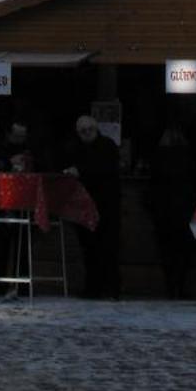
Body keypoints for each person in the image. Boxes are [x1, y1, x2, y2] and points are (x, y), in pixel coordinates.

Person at [63, 115, 121, 299]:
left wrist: (80, 171)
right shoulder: (75, 148)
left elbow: (105, 169)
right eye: (82, 131)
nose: (87, 133)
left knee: (108, 247)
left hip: (106, 204)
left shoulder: (108, 146)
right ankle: (93, 288)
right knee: (88, 248)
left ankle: (111, 289)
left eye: (89, 129)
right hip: (84, 205)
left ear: (96, 128)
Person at [144, 123, 196, 300]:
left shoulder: (157, 158)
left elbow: (151, 186)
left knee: (166, 252)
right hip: (184, 210)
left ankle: (170, 287)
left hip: (163, 212)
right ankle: (180, 286)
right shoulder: (189, 157)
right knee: (183, 252)